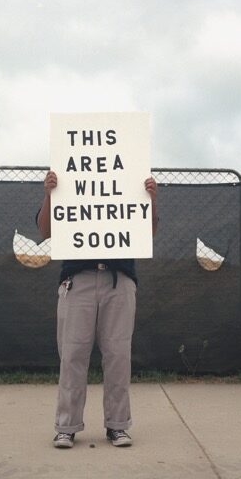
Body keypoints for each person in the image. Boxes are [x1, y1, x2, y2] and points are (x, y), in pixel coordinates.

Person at [37, 170, 157, 448]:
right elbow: (45, 231)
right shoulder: (66, 181)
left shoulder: (129, 179)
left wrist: (150, 198)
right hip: (77, 280)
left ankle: (117, 425)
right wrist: (48, 193)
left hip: (120, 280)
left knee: (118, 355)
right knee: (72, 355)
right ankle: (66, 426)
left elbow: (147, 232)